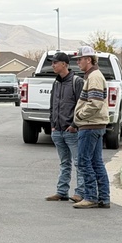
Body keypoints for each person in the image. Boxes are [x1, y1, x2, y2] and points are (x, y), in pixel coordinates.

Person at [72, 45, 111, 209]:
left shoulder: (94, 77)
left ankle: (90, 196)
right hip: (96, 125)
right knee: (96, 162)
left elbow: (94, 103)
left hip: (90, 125)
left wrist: (80, 116)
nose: (78, 62)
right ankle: (103, 197)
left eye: (80, 59)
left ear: (89, 59)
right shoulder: (94, 75)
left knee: (84, 161)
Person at [45, 51, 84, 203]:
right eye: (52, 62)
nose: (53, 65)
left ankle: (80, 193)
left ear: (65, 64)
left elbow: (82, 105)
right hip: (58, 131)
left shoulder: (77, 82)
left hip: (72, 131)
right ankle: (61, 191)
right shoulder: (56, 83)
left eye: (55, 62)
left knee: (78, 162)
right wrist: (53, 125)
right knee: (64, 163)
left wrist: (74, 125)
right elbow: (52, 105)